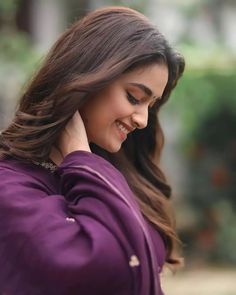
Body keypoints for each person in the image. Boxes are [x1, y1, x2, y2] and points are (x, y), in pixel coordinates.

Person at [0, 6, 185, 295]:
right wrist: (79, 157)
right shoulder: (10, 188)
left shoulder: (116, 174)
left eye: (151, 105)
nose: (143, 119)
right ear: (87, 78)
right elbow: (107, 265)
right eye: (134, 97)